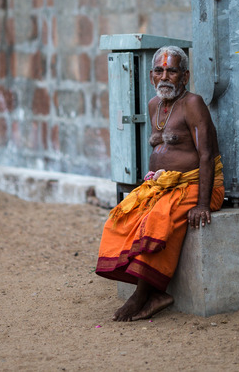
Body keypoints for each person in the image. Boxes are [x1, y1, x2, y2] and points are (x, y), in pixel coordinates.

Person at [96, 46, 224, 322]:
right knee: (122, 216)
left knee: (156, 220)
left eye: (172, 70)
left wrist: (203, 203)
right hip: (163, 185)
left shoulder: (193, 104)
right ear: (152, 76)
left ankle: (144, 295)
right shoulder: (155, 105)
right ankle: (152, 293)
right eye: (159, 70)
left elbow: (206, 155)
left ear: (185, 75)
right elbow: (161, 148)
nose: (165, 76)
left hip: (196, 185)